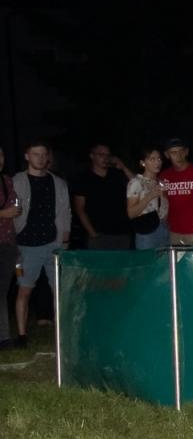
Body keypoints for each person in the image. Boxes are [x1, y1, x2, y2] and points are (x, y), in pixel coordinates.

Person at [10, 141, 71, 348]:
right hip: (25, 246)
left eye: (44, 154)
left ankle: (63, 333)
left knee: (59, 290)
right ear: (27, 156)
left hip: (53, 245)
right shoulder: (15, 182)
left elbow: (65, 213)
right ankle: (22, 336)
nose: (41, 158)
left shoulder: (58, 183)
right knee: (24, 290)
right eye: (36, 154)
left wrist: (65, 241)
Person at [71, 142, 134, 250]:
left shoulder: (116, 175)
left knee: (121, 266)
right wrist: (92, 233)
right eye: (101, 155)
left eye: (107, 155)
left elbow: (138, 184)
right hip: (99, 235)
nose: (105, 158)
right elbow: (79, 209)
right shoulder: (83, 178)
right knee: (100, 266)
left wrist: (123, 167)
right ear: (92, 156)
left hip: (122, 233)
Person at [159, 139, 193, 245]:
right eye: (174, 152)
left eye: (181, 151)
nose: (178, 156)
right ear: (167, 155)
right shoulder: (163, 176)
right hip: (173, 235)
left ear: (186, 152)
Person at [125, 146, 170, 249]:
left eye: (159, 159)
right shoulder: (136, 182)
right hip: (147, 230)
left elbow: (164, 207)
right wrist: (150, 196)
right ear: (143, 163)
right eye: (152, 159)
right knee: (147, 263)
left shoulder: (161, 182)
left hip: (163, 228)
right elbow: (131, 213)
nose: (157, 162)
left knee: (163, 263)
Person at [0, 148, 20, 348]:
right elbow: (6, 212)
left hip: (6, 242)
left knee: (2, 290)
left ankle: (4, 337)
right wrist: (3, 213)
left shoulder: (7, 180)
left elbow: (13, 211)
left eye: (1, 155)